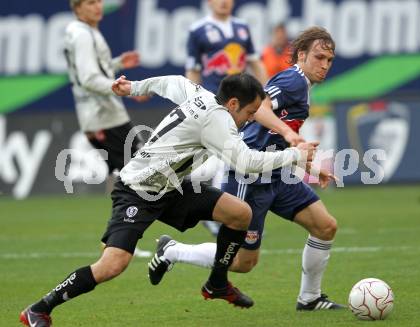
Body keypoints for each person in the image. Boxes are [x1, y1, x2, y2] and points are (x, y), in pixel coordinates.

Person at [19, 72, 320, 326]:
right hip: (139, 189)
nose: (252, 119)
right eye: (250, 112)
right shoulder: (218, 122)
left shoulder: (198, 92)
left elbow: (170, 82)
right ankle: (40, 308)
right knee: (112, 265)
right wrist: (295, 154)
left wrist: (133, 87)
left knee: (240, 213)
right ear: (232, 104)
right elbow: (246, 163)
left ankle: (216, 284)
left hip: (173, 186)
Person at [147, 26, 344, 311]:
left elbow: (273, 134)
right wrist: (289, 136)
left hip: (279, 175)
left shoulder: (303, 87)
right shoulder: (294, 80)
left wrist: (307, 163)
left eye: (329, 60)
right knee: (242, 262)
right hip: (249, 177)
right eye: (319, 57)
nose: (324, 65)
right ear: (301, 55)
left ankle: (310, 298)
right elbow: (260, 106)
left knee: (325, 227)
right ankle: (173, 251)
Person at [63, 0, 149, 257]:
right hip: (104, 116)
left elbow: (90, 71)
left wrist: (118, 63)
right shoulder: (82, 35)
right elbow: (89, 78)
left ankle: (114, 240)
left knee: (125, 173)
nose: (97, 6)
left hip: (98, 116)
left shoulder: (80, 31)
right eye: (90, 2)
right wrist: (124, 88)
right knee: (137, 170)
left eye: (99, 1)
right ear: (78, 8)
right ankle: (117, 240)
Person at [185, 0, 268, 236]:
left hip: (240, 105)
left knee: (224, 160)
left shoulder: (242, 28)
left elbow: (254, 61)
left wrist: (266, 91)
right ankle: (218, 213)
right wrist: (192, 101)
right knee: (224, 159)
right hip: (215, 103)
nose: (224, 2)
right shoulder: (198, 30)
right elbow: (193, 69)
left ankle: (217, 214)